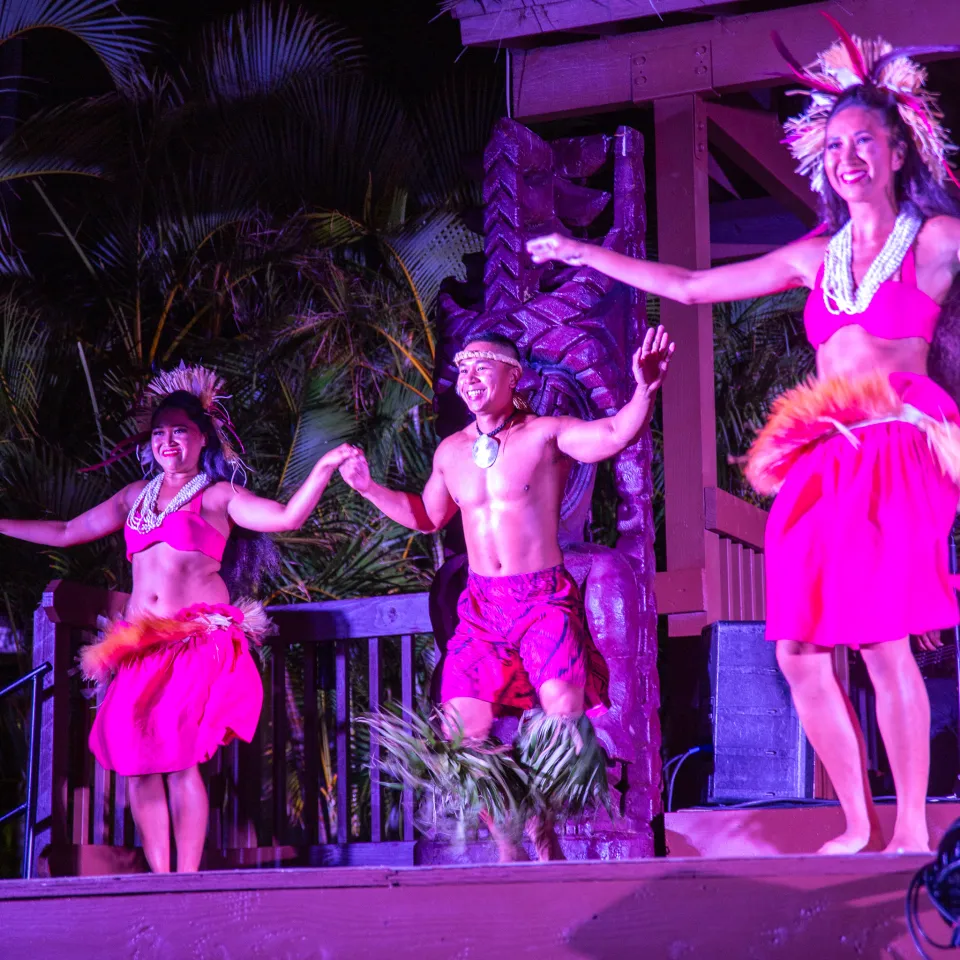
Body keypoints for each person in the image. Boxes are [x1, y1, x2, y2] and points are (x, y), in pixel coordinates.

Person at [528, 18, 960, 855]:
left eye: (866, 140)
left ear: (900, 150)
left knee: (880, 635)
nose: (848, 158)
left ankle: (909, 827)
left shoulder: (938, 243)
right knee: (796, 645)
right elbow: (689, 286)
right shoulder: (813, 255)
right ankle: (856, 820)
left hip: (901, 448)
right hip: (824, 454)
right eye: (834, 145)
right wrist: (588, 254)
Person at [0, 363, 354, 872]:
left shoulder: (217, 496)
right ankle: (159, 877)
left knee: (180, 758)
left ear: (202, 436)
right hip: (139, 647)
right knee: (138, 766)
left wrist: (322, 468)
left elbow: (284, 518)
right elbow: (62, 531)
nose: (169, 441)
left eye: (180, 431)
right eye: (161, 432)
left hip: (195, 643)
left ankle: (186, 880)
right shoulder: (133, 498)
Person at [339, 325, 674, 860]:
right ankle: (510, 842)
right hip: (481, 609)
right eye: (462, 368)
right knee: (462, 736)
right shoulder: (451, 452)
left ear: (513, 375)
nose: (468, 377)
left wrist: (644, 390)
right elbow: (428, 517)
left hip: (542, 600)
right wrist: (368, 487)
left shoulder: (545, 433)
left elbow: (612, 434)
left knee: (560, 718)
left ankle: (544, 830)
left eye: (482, 366)